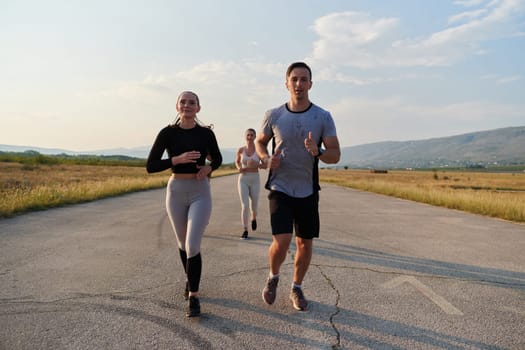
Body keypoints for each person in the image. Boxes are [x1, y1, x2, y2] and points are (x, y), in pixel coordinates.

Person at [255, 62, 340, 311]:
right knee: (281, 241)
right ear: (286, 83)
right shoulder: (274, 115)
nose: (299, 84)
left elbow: (335, 154)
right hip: (280, 186)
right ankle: (273, 277)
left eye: (304, 80)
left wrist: (319, 151)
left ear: (311, 84)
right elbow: (260, 143)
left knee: (304, 243)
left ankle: (297, 287)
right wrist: (266, 159)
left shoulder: (322, 117)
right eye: (294, 79)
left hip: (307, 189)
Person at [146, 91, 222, 317]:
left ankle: (194, 297)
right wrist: (176, 160)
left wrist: (209, 168)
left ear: (198, 108)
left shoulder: (206, 133)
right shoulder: (167, 133)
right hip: (176, 191)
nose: (187, 105)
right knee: (182, 243)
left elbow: (216, 158)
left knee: (192, 244)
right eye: (183, 102)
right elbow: (151, 165)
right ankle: (190, 281)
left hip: (200, 192)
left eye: (192, 102)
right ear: (177, 106)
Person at [235, 128, 263, 239]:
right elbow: (237, 162)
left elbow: (265, 165)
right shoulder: (241, 150)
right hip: (243, 179)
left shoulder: (259, 150)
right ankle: (245, 229)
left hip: (255, 179)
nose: (250, 137)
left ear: (255, 137)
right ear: (245, 136)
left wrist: (256, 164)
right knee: (245, 205)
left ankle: (254, 218)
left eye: (252, 135)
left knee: (254, 206)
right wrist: (238, 168)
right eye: (248, 135)